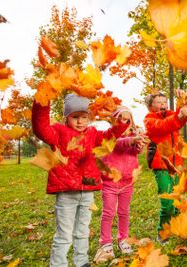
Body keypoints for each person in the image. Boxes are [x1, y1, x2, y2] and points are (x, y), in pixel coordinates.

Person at [32, 93, 130, 267]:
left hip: (87, 191)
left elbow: (109, 137)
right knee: (64, 234)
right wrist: (42, 101)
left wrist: (121, 122)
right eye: (75, 117)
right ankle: (58, 264)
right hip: (66, 192)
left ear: (89, 118)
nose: (80, 121)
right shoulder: (58, 132)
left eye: (84, 117)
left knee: (82, 231)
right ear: (66, 117)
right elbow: (40, 128)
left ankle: (81, 262)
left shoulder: (93, 134)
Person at [94, 106, 146, 263]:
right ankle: (105, 242)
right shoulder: (110, 136)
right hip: (110, 181)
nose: (124, 122)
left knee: (124, 212)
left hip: (127, 182)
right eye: (121, 119)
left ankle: (123, 239)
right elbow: (119, 144)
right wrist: (131, 141)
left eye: (127, 119)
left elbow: (135, 152)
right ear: (114, 121)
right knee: (108, 213)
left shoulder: (134, 134)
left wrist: (139, 145)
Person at [143, 93, 187, 242]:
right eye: (158, 102)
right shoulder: (149, 120)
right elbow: (164, 126)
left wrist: (183, 104)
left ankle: (176, 228)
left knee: (177, 199)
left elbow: (180, 120)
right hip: (161, 165)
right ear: (150, 106)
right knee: (167, 202)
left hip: (176, 164)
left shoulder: (170, 115)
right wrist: (179, 115)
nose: (163, 104)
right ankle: (162, 234)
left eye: (165, 101)